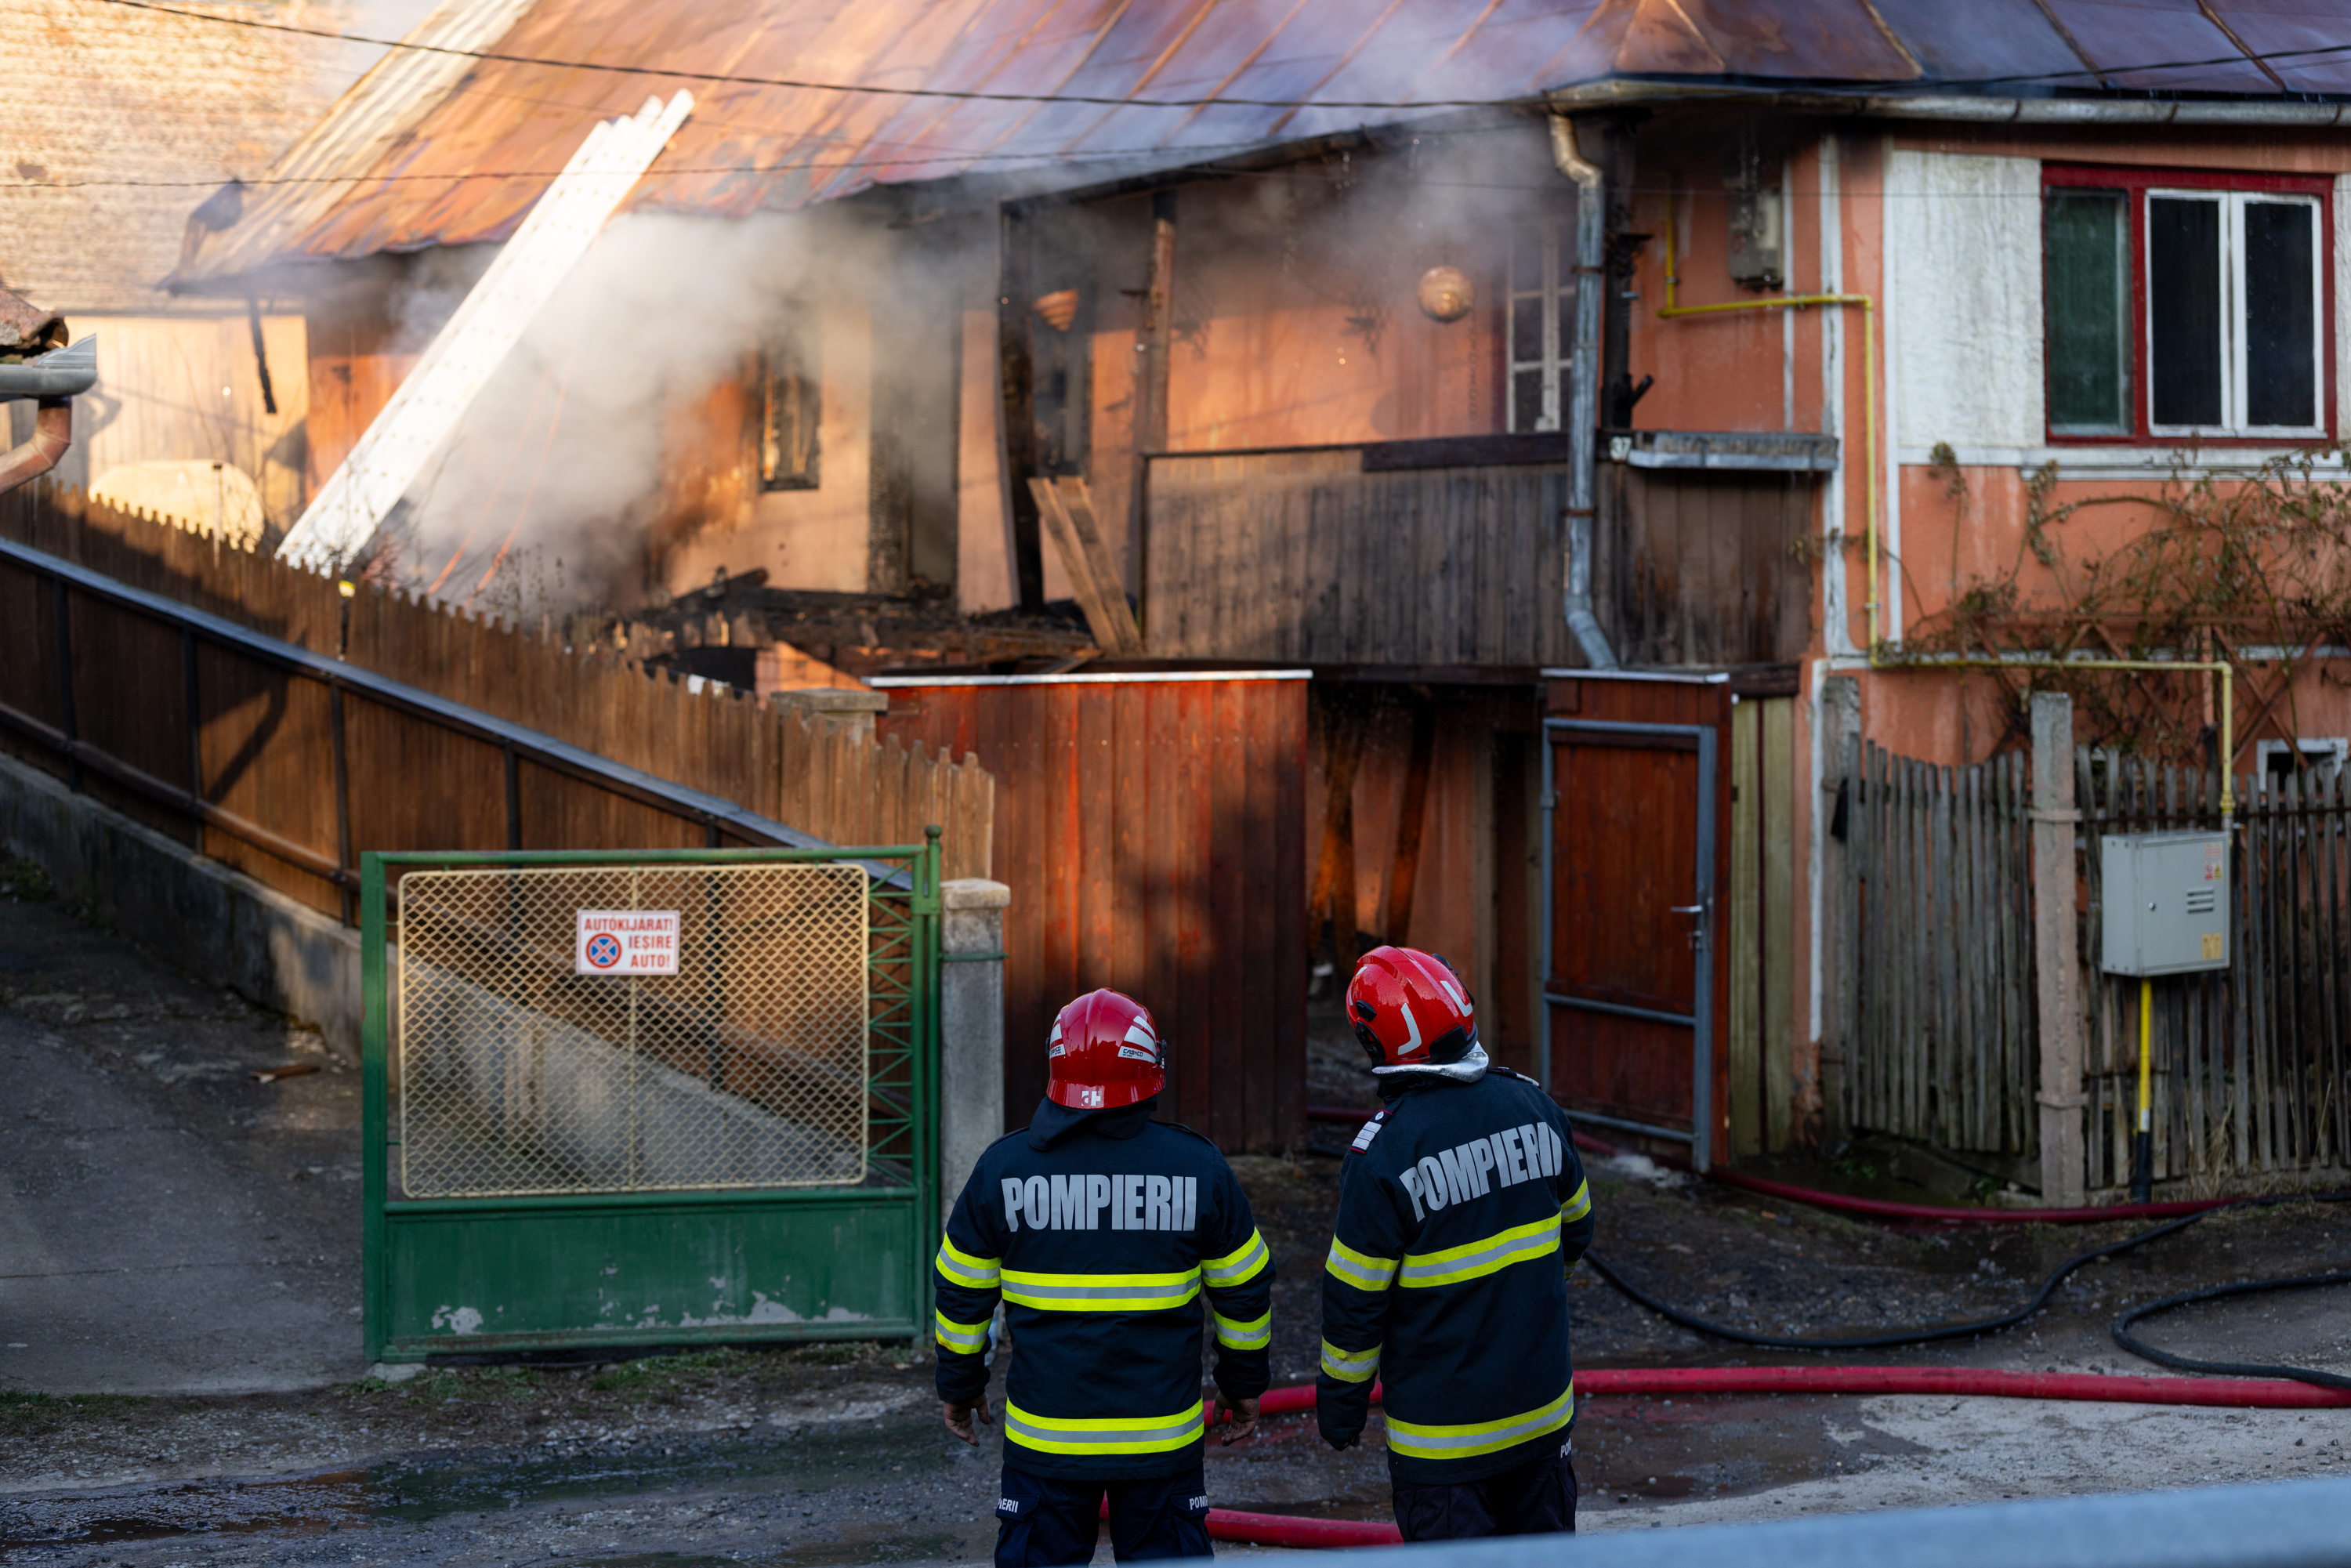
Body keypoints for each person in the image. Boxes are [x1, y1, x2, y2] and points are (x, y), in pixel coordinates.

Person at [933, 988, 1275, 1566]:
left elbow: (961, 1290)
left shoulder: (1003, 1168)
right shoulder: (1199, 1167)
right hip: (1161, 1446)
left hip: (1047, 1446)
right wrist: (1243, 1384)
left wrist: (961, 1384)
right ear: (1149, 1065)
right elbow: (1244, 1290)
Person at [1314, 945, 1594, 1541]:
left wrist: (1341, 1410)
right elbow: (1578, 1229)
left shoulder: (1383, 1156)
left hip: (1444, 1450)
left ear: (1375, 1043)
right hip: (1543, 1423)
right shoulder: (1535, 1106)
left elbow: (1354, 1305)